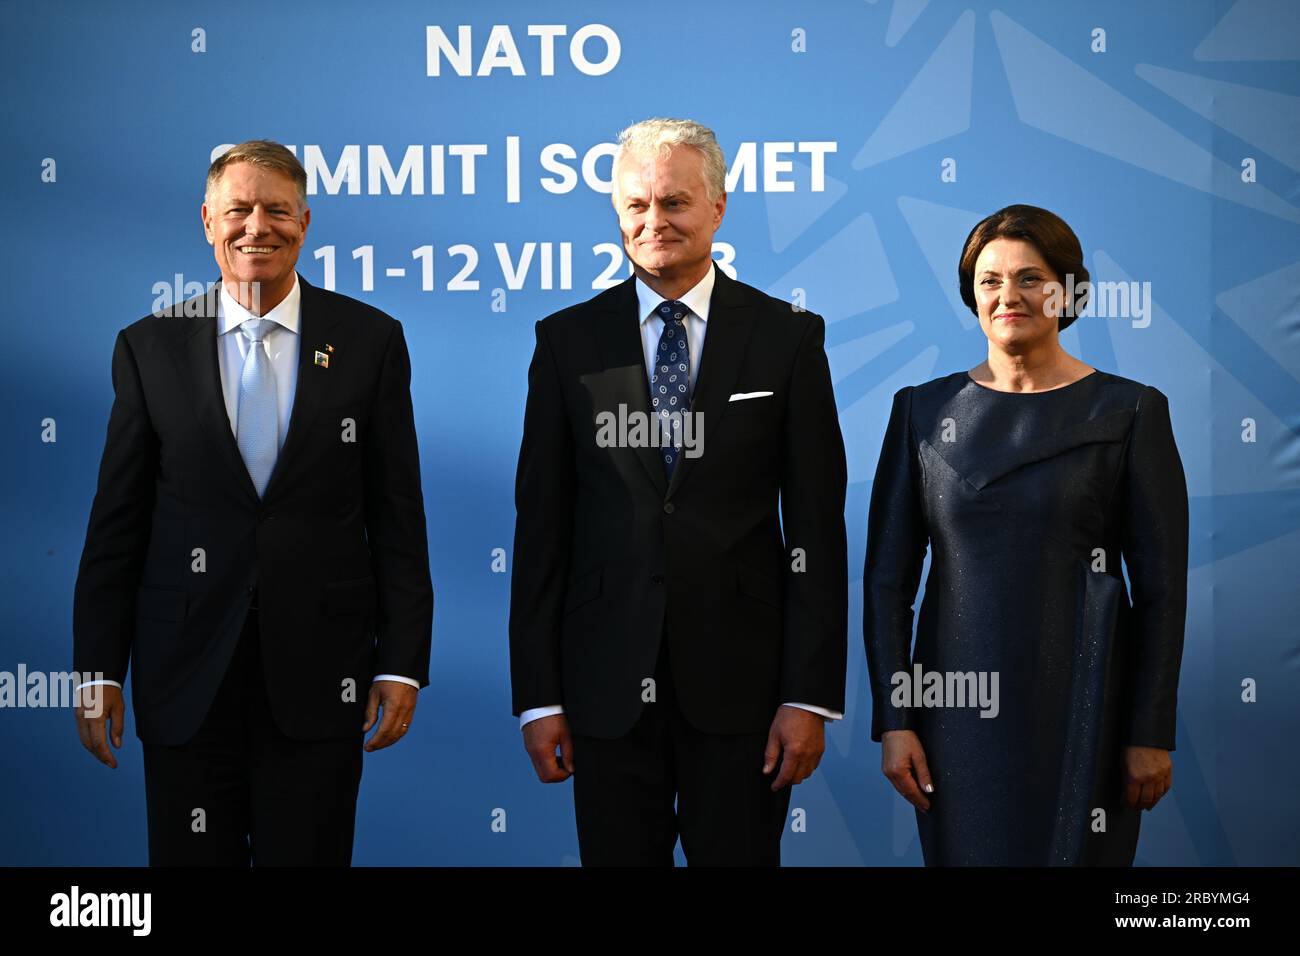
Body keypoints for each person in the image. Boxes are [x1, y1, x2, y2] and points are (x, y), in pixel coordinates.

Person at [72, 140, 434, 866]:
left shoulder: (370, 342)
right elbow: (118, 525)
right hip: (185, 678)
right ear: (208, 221)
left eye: (276, 210)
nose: (256, 227)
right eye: (238, 210)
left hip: (320, 674)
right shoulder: (149, 349)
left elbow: (397, 516)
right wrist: (98, 670)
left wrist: (401, 662)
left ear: (306, 220)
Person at [509, 118, 847, 865]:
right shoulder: (566, 342)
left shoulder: (788, 336)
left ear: (718, 207)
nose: (653, 222)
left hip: (745, 692)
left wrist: (808, 695)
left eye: (674, 203)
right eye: (636, 206)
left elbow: (817, 530)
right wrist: (540, 696)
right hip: (602, 689)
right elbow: (541, 530)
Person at [864, 203, 1188, 865]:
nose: (1009, 296)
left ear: (1067, 290)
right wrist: (896, 722)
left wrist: (1149, 730)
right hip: (954, 717)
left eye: (1031, 278)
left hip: (1088, 708)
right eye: (990, 280)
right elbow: (886, 584)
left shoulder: (1130, 411)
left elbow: (1160, 591)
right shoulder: (920, 414)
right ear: (971, 294)